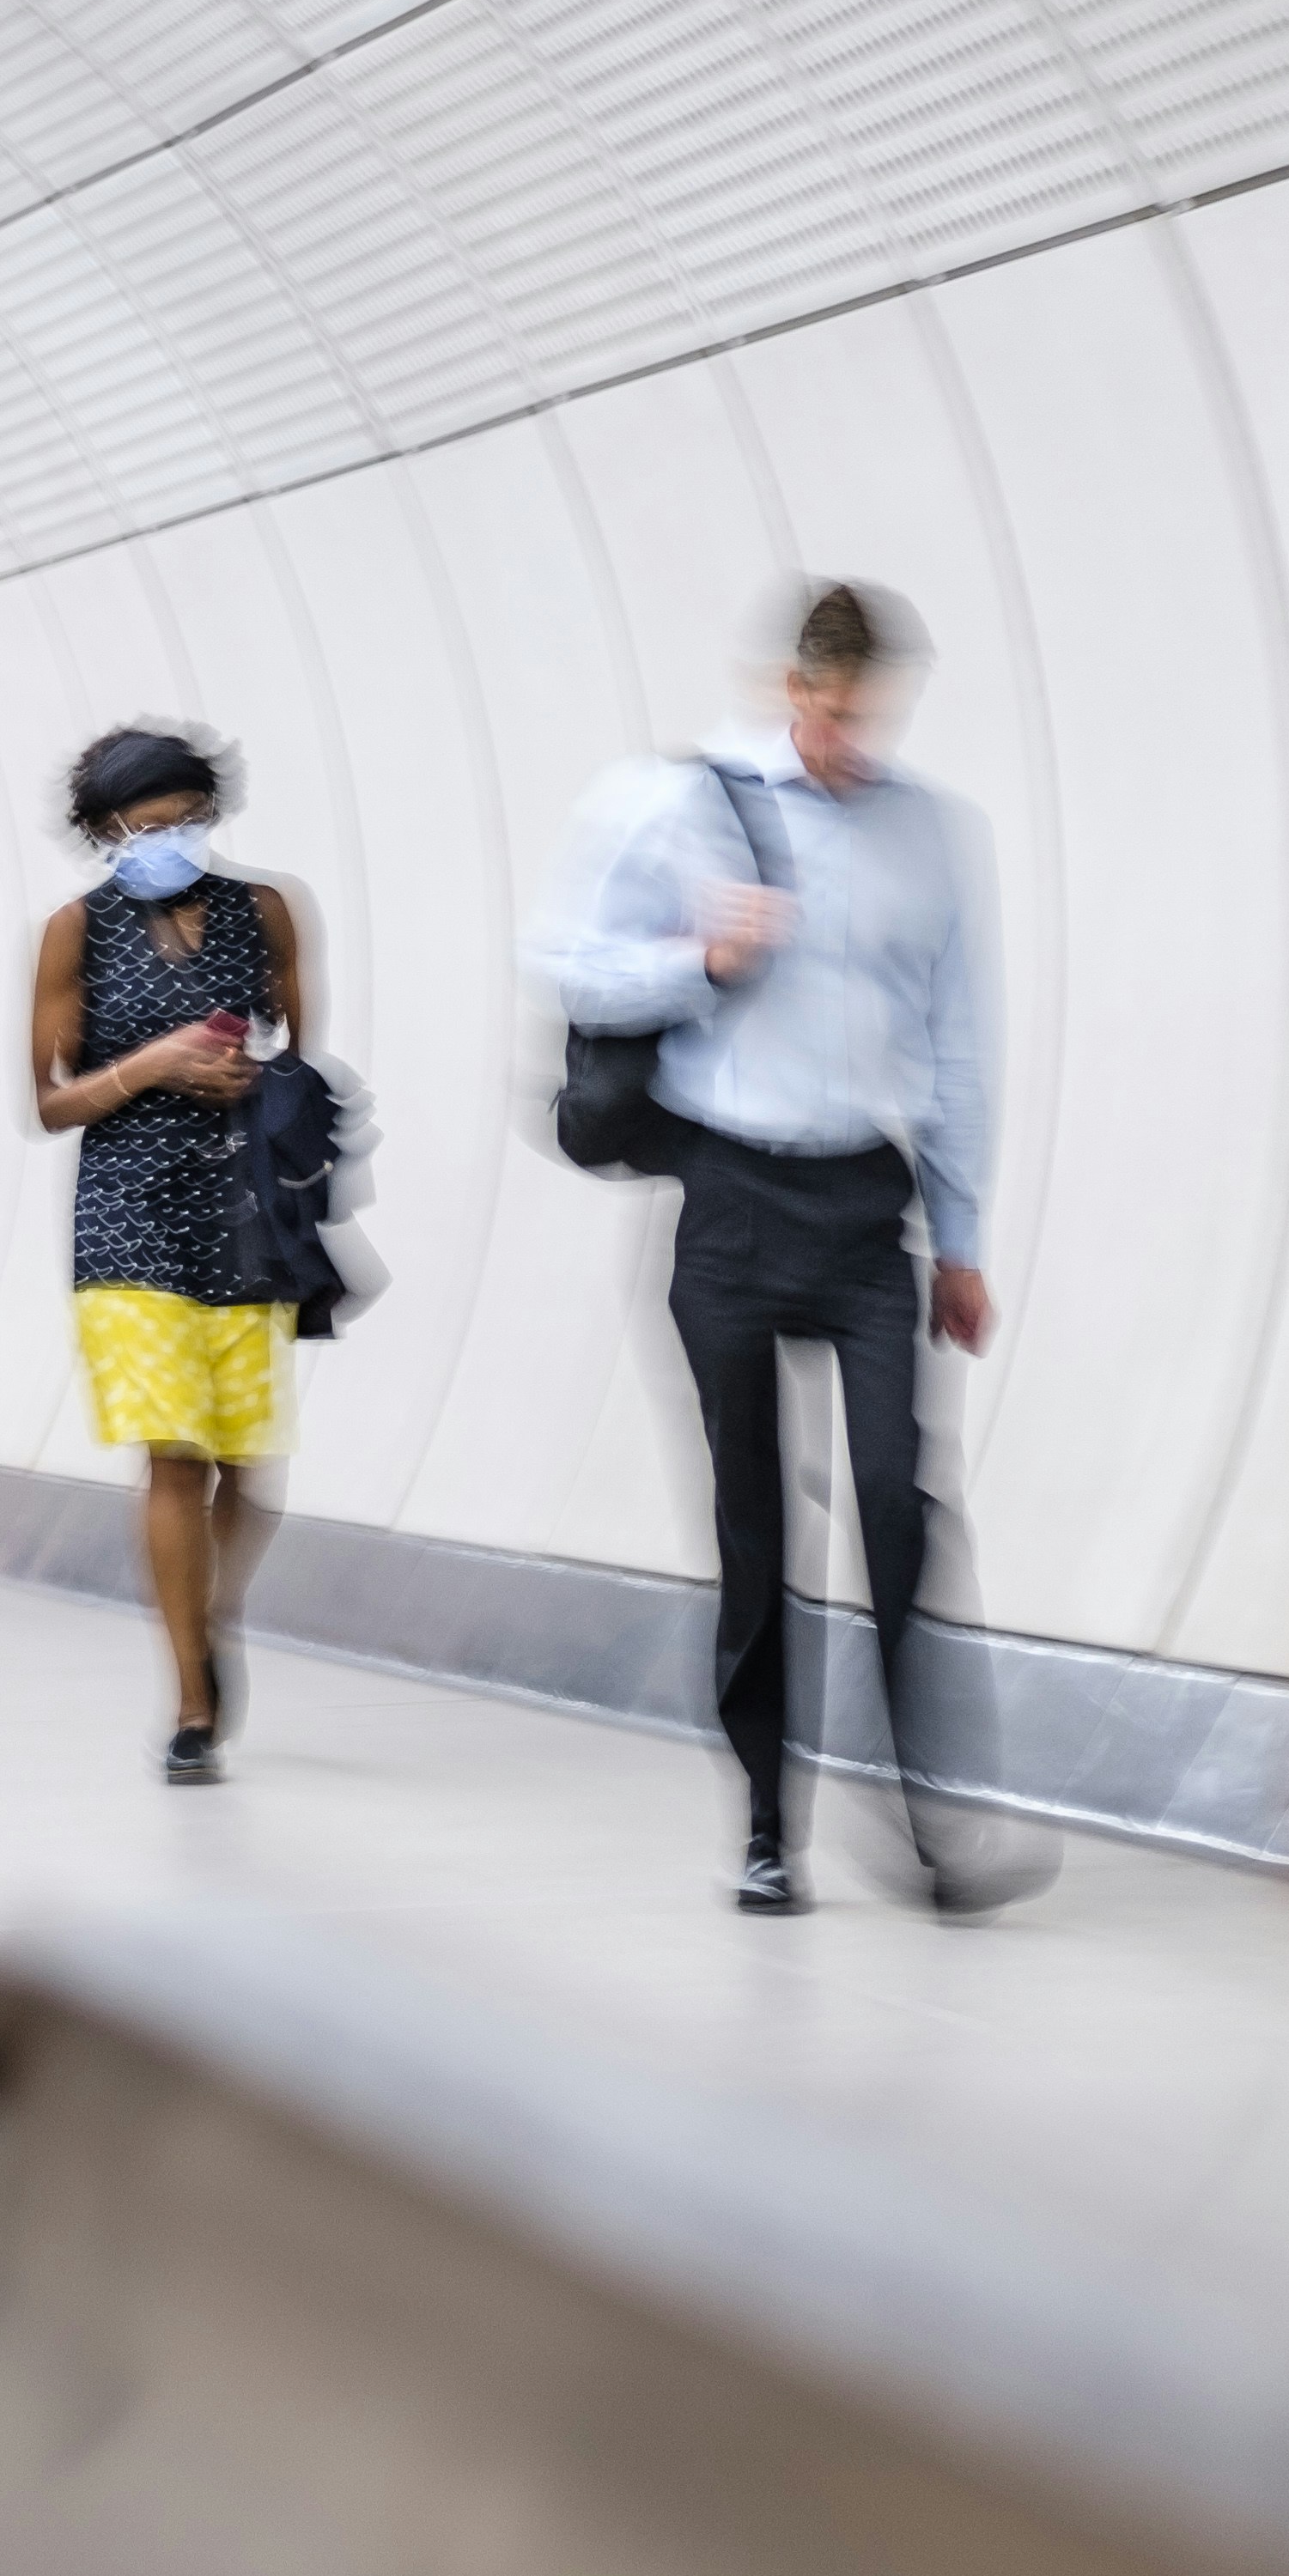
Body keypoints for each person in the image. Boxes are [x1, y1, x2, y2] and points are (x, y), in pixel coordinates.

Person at [531, 577, 1036, 1921]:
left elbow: (958, 1043)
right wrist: (703, 962)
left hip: (868, 1207)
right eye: (833, 707)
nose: (852, 734)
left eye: (877, 711)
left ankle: (936, 1828)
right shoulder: (678, 803)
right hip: (732, 1200)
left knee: (897, 1505)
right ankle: (767, 1828)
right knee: (754, 1526)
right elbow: (572, 965)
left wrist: (965, 1236)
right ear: (792, 690)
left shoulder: (933, 833)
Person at [31, 727, 307, 1788]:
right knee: (174, 1452)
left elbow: (302, 1058)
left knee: (252, 1463)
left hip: (244, 1206)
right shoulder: (75, 932)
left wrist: (261, 1077)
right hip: (127, 1214)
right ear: (104, 831)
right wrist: (149, 1065)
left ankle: (211, 1608)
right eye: (147, 828)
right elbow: (51, 1101)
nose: (172, 842)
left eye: (190, 820)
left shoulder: (265, 911)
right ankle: (192, 1699)